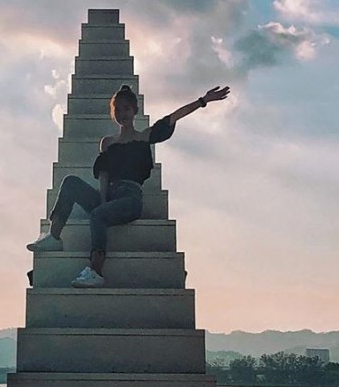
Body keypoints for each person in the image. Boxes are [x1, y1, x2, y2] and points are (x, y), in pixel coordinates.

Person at [27, 82, 230, 287]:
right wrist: (103, 201)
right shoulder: (107, 143)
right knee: (71, 182)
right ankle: (54, 236)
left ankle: (96, 271)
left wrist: (203, 100)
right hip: (110, 196)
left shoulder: (144, 137)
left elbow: (174, 116)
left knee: (98, 215)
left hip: (130, 198)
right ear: (113, 113)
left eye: (126, 108)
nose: (122, 113)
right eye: (118, 109)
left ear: (134, 111)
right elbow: (104, 174)